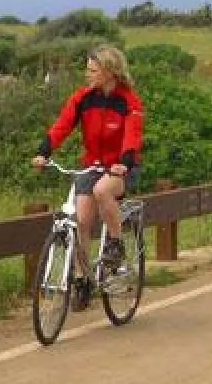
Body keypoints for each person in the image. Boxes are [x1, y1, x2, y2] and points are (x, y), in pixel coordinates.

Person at [31, 44, 143, 311]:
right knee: (81, 220)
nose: (87, 74)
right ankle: (82, 281)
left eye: (92, 70)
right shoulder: (82, 98)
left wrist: (124, 163)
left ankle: (115, 244)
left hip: (121, 167)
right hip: (91, 166)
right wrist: (43, 152)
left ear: (109, 71)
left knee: (103, 190)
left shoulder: (129, 101)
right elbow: (62, 125)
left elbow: (132, 136)